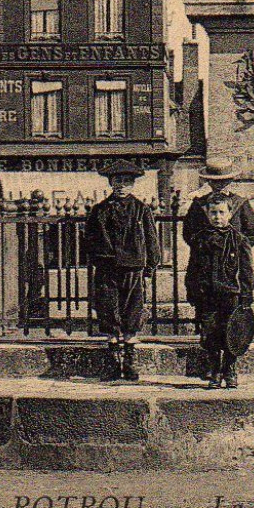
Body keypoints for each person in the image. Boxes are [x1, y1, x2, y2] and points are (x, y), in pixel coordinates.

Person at [183, 159, 254, 388]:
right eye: (214, 182)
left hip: (230, 279)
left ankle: (229, 369)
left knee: (232, 329)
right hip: (208, 280)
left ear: (231, 180)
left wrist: (234, 250)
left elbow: (253, 232)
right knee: (209, 330)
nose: (219, 186)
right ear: (208, 181)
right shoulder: (199, 204)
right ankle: (213, 370)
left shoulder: (240, 204)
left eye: (224, 181)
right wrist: (207, 244)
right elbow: (189, 234)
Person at [83, 161, 159, 381]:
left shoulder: (141, 209)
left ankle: (129, 361)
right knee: (108, 309)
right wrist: (99, 257)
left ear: (133, 184)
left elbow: (151, 239)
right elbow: (89, 239)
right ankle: (113, 362)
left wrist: (150, 266)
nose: (122, 186)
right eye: (118, 181)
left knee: (132, 310)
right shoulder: (99, 210)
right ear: (110, 183)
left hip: (133, 267)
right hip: (107, 268)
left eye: (126, 182)